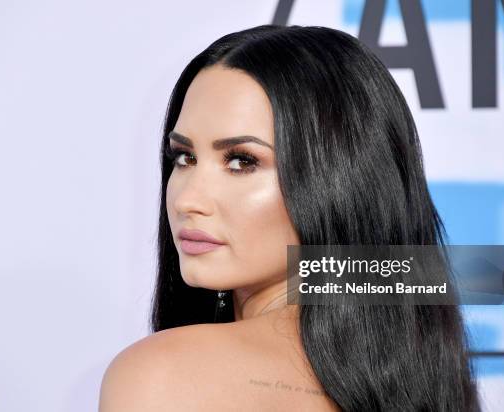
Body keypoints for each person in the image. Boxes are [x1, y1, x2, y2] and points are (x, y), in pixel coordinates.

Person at [99, 24, 480, 411]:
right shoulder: (427, 378)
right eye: (185, 157)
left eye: (241, 161)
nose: (187, 200)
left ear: (338, 182)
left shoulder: (164, 375)